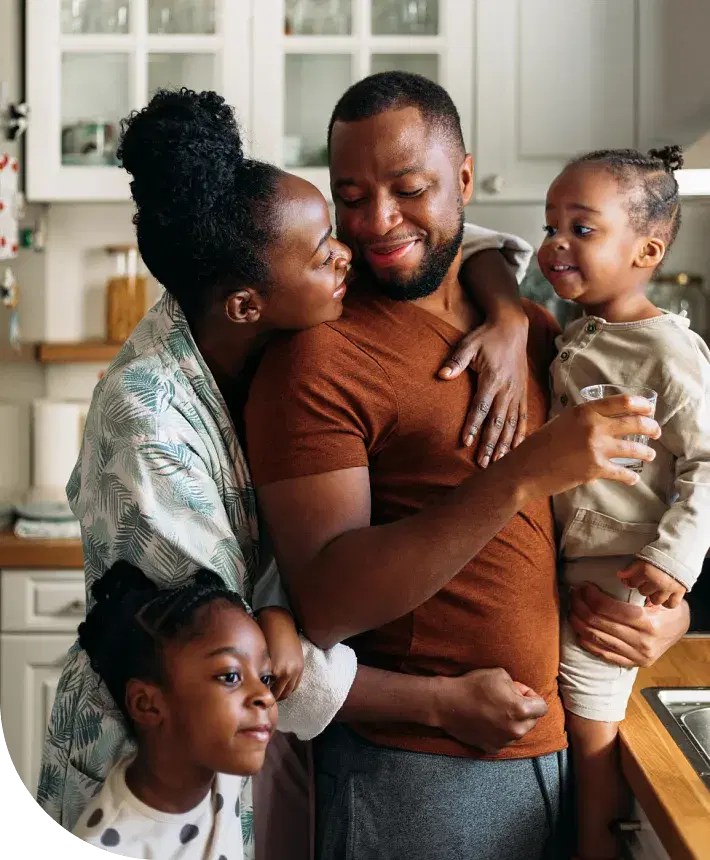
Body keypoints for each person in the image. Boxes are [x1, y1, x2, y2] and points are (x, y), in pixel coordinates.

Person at [35, 86, 553, 858]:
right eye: (327, 246)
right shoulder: (151, 424)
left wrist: (507, 312)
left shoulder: (247, 329)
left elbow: (458, 240)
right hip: (149, 778)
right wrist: (440, 701)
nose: (356, 248)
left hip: (227, 762)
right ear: (248, 303)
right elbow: (224, 662)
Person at [244, 72, 692, 860]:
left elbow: (626, 505)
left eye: (409, 188)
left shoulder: (540, 332)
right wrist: (522, 473)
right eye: (351, 196)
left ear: (463, 179)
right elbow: (326, 601)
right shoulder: (320, 357)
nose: (377, 221)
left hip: (559, 743)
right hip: (419, 775)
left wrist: (665, 615)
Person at [538, 144, 710, 860]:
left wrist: (674, 561)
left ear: (648, 250)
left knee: (592, 722)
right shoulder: (575, 334)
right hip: (577, 563)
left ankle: (595, 847)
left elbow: (707, 460)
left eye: (582, 229)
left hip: (625, 573)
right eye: (552, 226)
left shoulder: (668, 352)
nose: (556, 244)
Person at [73, 562, 277, 859]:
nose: (265, 696)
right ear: (147, 703)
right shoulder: (106, 846)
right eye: (230, 676)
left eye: (266, 678)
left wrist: (278, 616)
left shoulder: (223, 770)